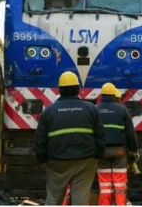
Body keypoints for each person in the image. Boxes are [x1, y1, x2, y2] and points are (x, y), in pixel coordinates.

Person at [34, 71, 106, 205]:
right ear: (78, 89)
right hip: (85, 162)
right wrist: (98, 156)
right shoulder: (90, 108)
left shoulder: (49, 111)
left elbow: (40, 139)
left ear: (59, 89)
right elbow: (100, 135)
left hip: (57, 162)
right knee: (80, 201)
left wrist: (42, 159)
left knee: (54, 199)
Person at [96, 83, 139, 205]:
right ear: (114, 95)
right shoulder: (122, 109)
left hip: (102, 151)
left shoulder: (95, 109)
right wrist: (133, 149)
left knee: (104, 185)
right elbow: (130, 133)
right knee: (120, 184)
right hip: (119, 151)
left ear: (102, 95)